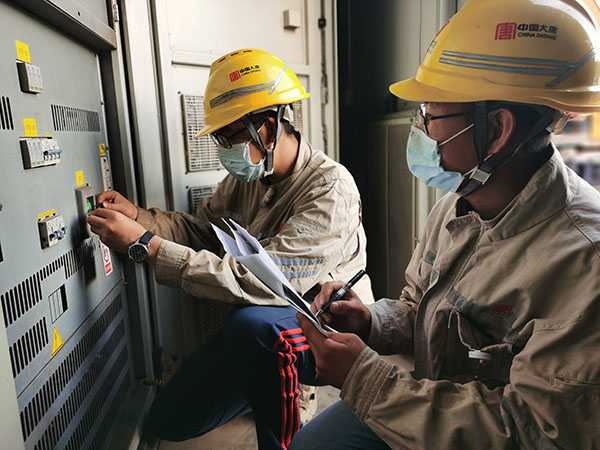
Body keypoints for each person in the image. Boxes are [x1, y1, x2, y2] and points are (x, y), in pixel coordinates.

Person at [290, 0, 600, 449]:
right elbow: (423, 309)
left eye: (429, 115)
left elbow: (530, 433)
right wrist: (370, 321)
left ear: (497, 130)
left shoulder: (584, 264)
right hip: (431, 397)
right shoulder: (458, 206)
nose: (420, 129)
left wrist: (364, 378)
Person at [87, 48, 373, 450]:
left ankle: (289, 426)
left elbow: (267, 284)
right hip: (264, 326)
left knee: (251, 324)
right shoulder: (250, 178)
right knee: (172, 420)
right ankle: (266, 381)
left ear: (268, 128)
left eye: (229, 136)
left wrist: (146, 246)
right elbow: (205, 233)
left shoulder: (330, 189)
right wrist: (140, 219)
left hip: (322, 327)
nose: (222, 148)